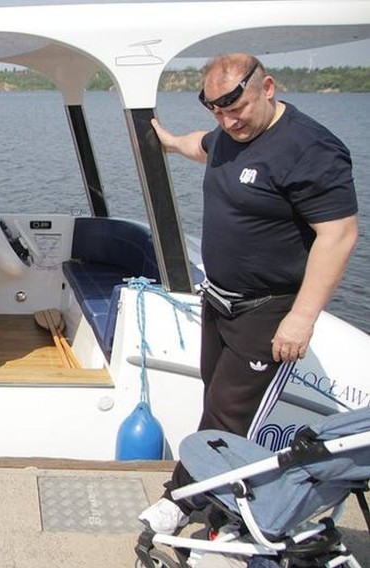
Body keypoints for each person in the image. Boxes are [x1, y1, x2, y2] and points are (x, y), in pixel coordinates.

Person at [139, 53, 358, 534]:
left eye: (234, 107)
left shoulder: (311, 149)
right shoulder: (231, 134)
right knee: (213, 398)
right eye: (215, 109)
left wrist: (302, 318)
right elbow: (206, 146)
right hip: (219, 302)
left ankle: (184, 502)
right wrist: (172, 143)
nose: (227, 119)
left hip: (268, 311)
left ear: (268, 87)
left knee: (228, 415)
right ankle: (217, 501)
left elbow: (338, 234)